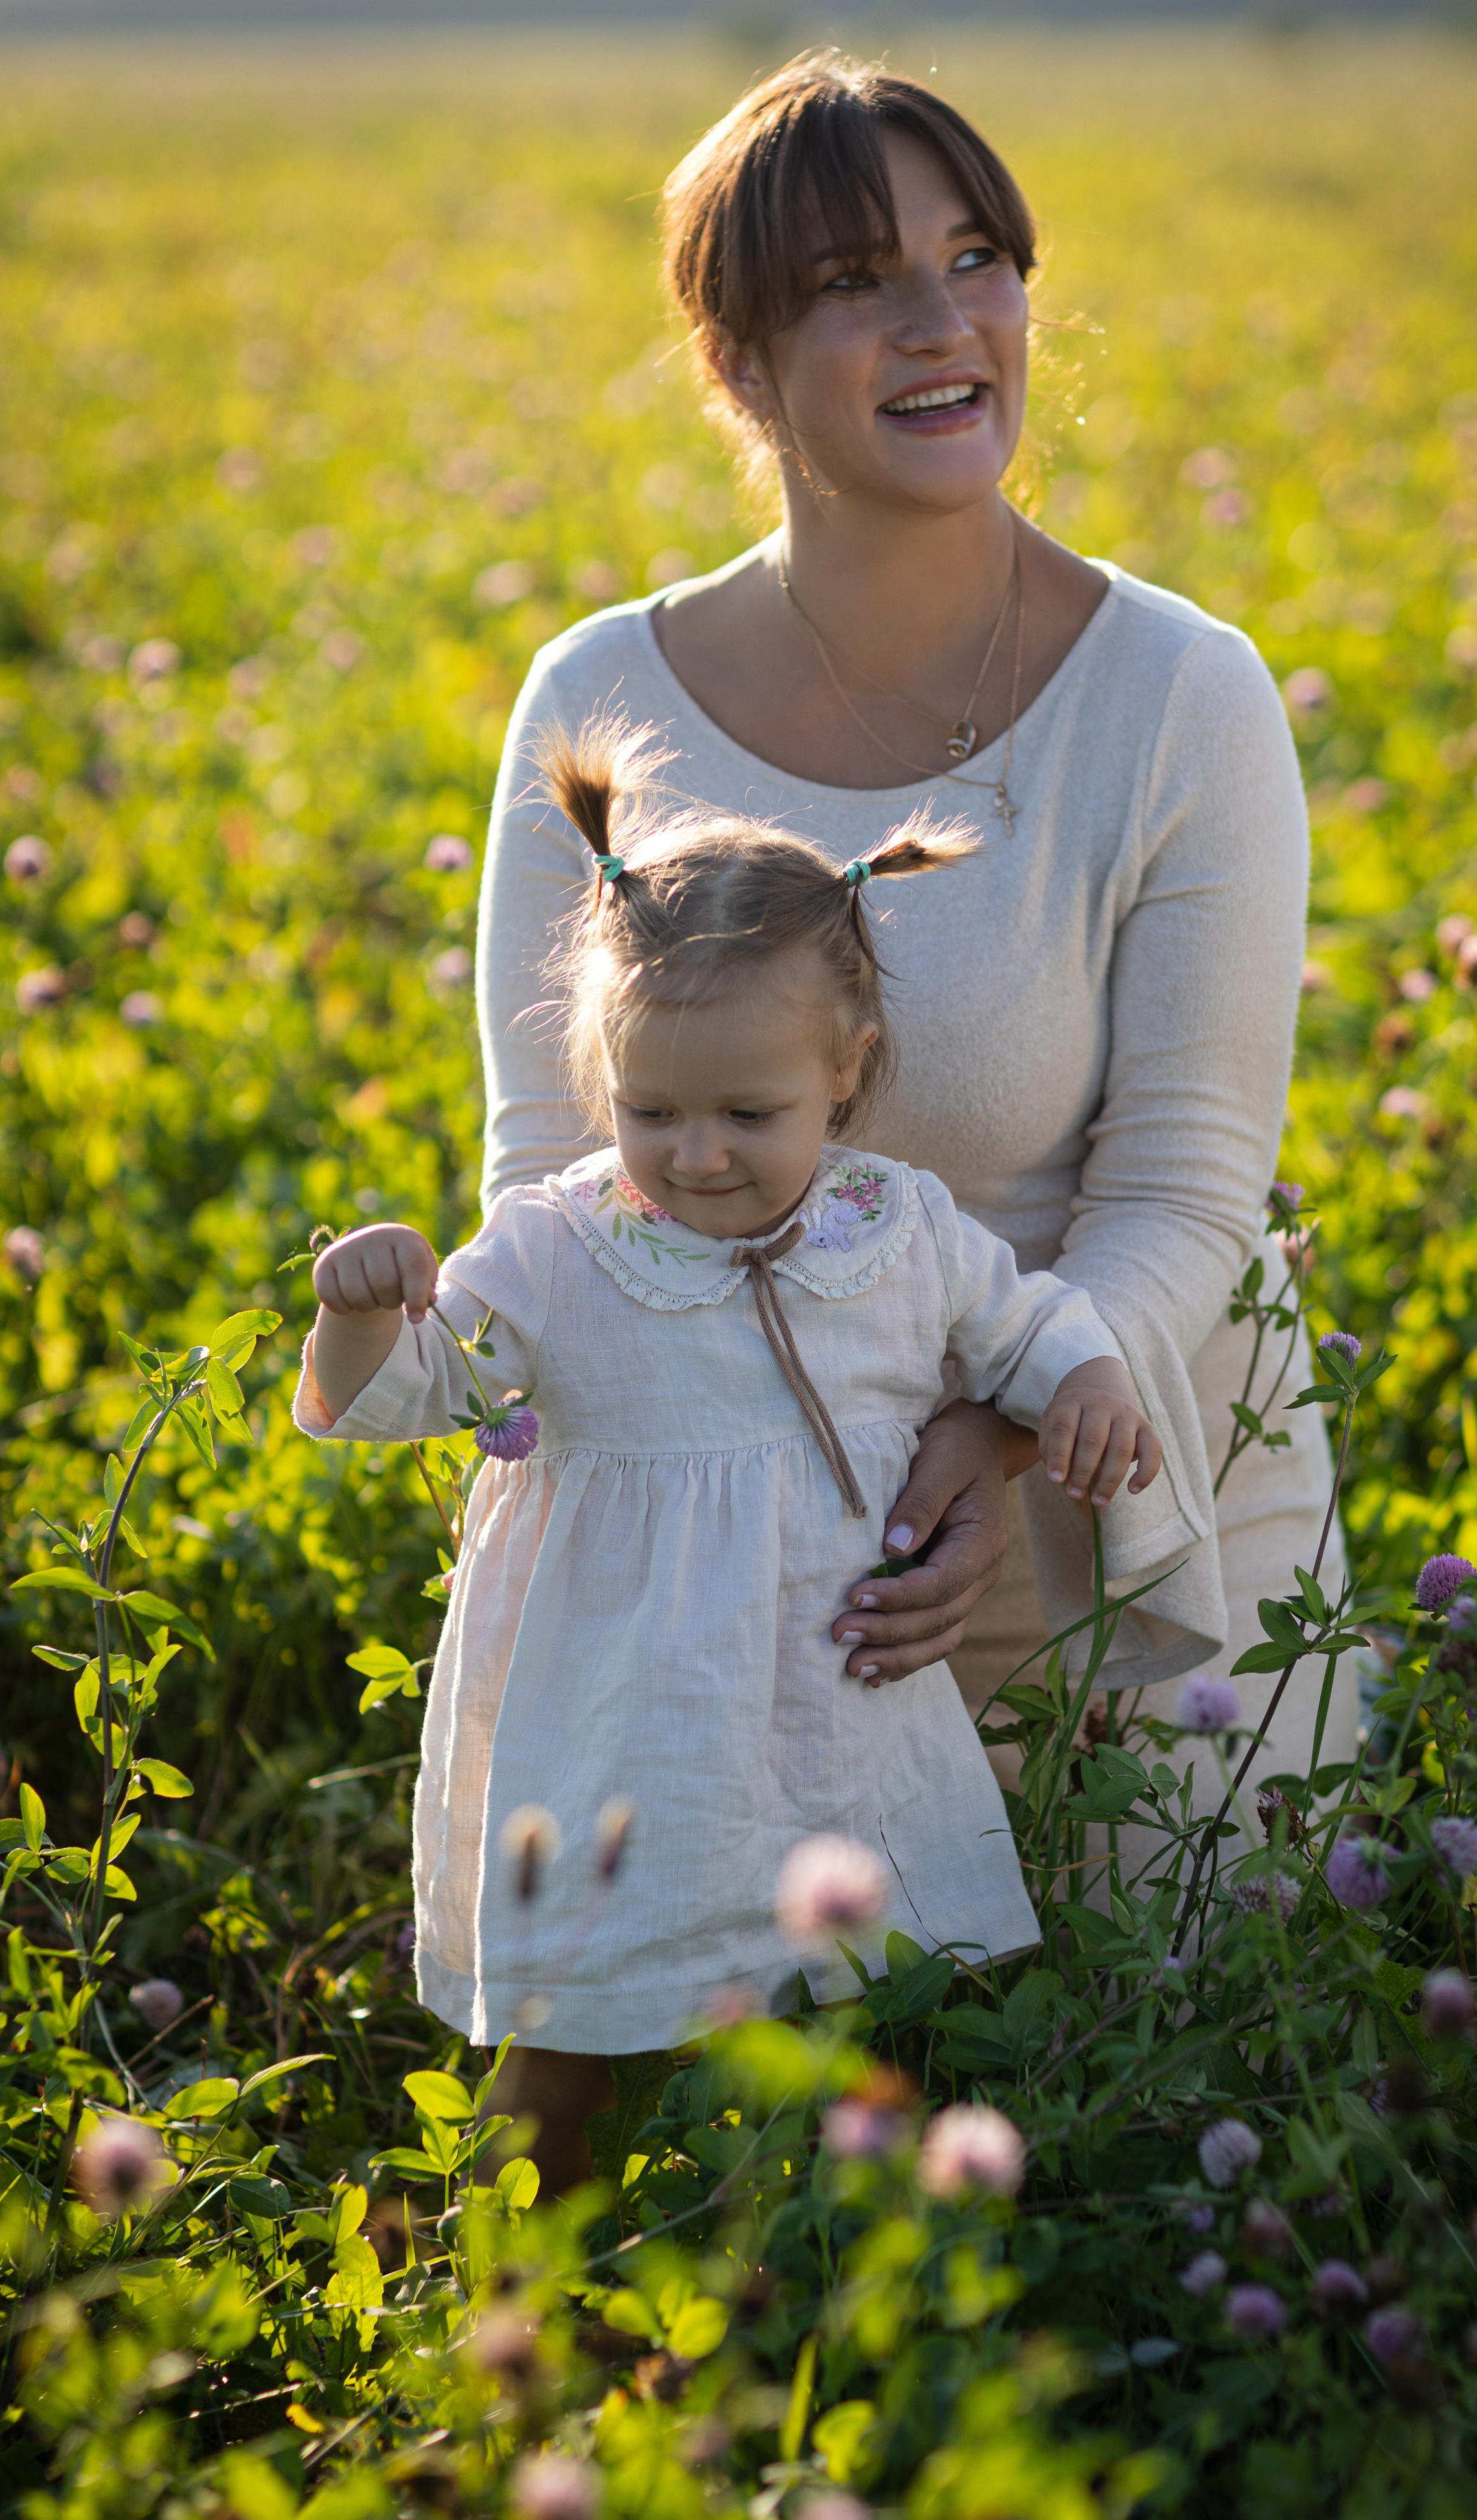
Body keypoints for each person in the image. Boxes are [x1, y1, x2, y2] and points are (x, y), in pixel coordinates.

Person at [476, 51, 1356, 1797]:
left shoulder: (1182, 694)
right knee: (724, 2049)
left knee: (1170, 2046)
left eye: (980, 260)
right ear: (736, 359)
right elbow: (550, 1183)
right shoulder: (602, 705)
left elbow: (1185, 1189)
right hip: (718, 1512)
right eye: (854, 283)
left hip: (1123, 1486)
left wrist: (992, 1432)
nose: (946, 322)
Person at [295, 721, 1160, 2191]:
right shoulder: (565, 1246)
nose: (694, 1153)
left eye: (746, 1113)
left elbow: (1025, 1324)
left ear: (848, 1071)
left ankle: (850, 2245)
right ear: (602, 1083)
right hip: (629, 1718)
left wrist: (1084, 1380)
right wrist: (356, 1313)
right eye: (650, 1111)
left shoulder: (898, 1225)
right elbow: (405, 1396)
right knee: (577, 2022)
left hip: (838, 1698)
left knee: (869, 1988)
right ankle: (493, 2259)